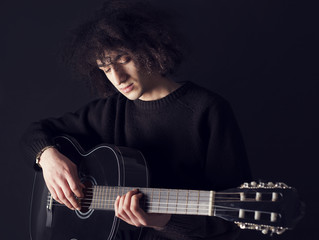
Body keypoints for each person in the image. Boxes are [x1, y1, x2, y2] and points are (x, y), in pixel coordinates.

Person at [22, 0, 251, 239]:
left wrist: (162, 221)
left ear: (149, 47)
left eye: (122, 59)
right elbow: (33, 133)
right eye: (105, 68)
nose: (118, 78)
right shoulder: (109, 111)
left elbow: (230, 222)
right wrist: (47, 156)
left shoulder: (208, 110)